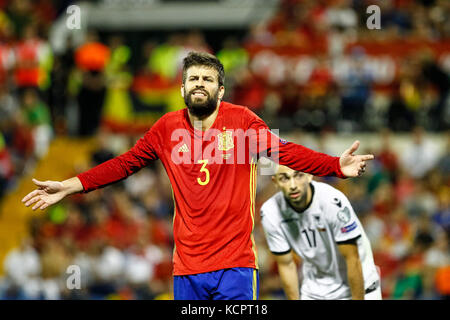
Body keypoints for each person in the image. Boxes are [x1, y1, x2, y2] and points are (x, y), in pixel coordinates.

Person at [22, 51, 373, 300]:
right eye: (193, 79)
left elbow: (285, 151)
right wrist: (69, 186)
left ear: (221, 91)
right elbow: (124, 164)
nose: (199, 84)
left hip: (235, 266)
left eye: (208, 79)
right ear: (183, 89)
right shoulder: (166, 128)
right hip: (186, 268)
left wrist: (334, 166)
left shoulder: (243, 122)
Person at [260, 164, 381, 300]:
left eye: (298, 176)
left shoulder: (332, 201)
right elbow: (286, 265)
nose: (292, 185)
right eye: (284, 178)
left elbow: (352, 259)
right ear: (275, 182)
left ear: (309, 176)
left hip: (361, 283)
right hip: (316, 287)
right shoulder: (270, 212)